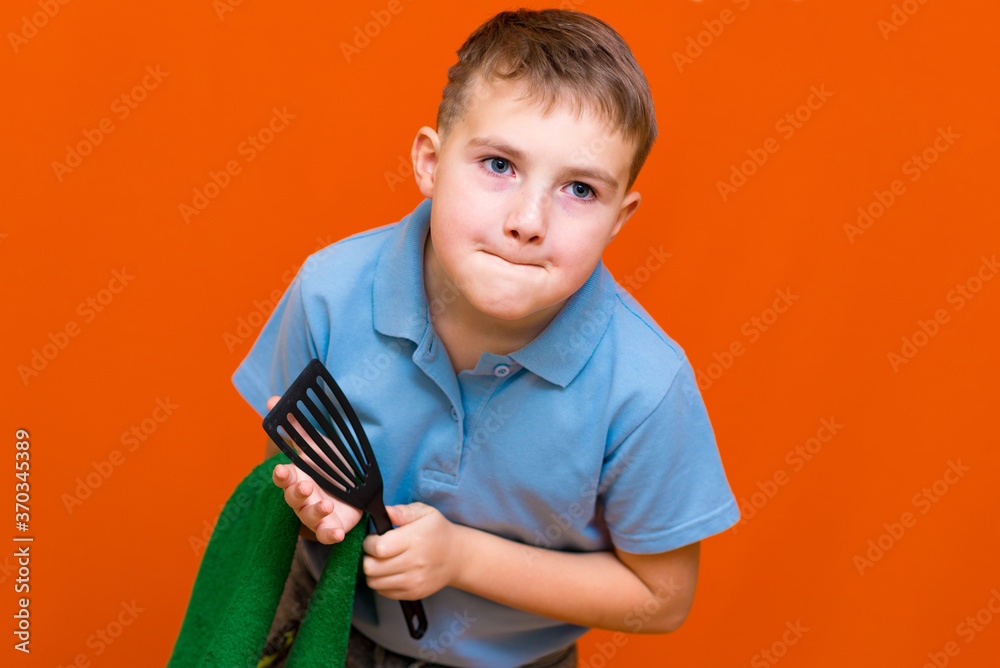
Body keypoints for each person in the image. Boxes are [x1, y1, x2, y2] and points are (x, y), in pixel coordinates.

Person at [233, 8, 740, 667]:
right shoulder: (330, 291)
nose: (528, 220)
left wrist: (463, 558)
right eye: (499, 164)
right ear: (430, 162)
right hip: (317, 621)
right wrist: (314, 499)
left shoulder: (645, 386)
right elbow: (301, 450)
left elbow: (662, 597)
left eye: (580, 189)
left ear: (620, 219)